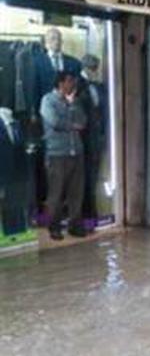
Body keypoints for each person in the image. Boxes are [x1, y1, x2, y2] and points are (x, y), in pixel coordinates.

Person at [39, 71, 88, 240]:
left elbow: (83, 121)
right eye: (70, 82)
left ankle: (75, 225)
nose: (73, 85)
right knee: (56, 193)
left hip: (76, 152)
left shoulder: (75, 101)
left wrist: (73, 105)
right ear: (60, 83)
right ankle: (54, 226)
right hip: (57, 153)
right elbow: (54, 122)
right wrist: (73, 125)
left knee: (76, 191)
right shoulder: (48, 100)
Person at [79, 54, 107, 224]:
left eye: (96, 68)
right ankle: (86, 213)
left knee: (93, 176)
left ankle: (91, 211)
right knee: (84, 177)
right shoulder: (77, 85)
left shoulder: (99, 86)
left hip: (97, 138)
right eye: (93, 69)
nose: (96, 72)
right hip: (83, 139)